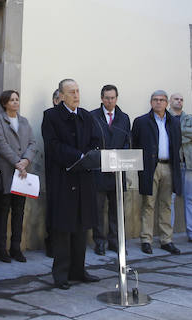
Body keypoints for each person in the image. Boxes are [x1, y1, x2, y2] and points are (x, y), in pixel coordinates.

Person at [42, 79, 102, 289]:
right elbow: (52, 145)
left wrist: (90, 156)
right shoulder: (51, 116)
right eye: (72, 92)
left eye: (78, 91)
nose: (77, 95)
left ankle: (79, 270)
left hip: (84, 179)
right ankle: (61, 274)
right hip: (63, 179)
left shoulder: (86, 115)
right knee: (63, 229)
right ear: (62, 96)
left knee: (81, 227)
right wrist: (78, 156)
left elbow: (96, 140)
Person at [132, 90, 182, 255]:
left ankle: (166, 240)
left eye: (161, 100)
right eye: (155, 100)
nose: (158, 103)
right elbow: (135, 144)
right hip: (150, 167)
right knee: (148, 203)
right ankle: (146, 239)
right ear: (151, 102)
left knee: (166, 204)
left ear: (167, 103)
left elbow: (178, 144)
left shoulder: (174, 122)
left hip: (169, 166)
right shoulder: (141, 122)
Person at [0, 89, 38, 263]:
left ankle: (16, 247)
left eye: (17, 99)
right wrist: (18, 162)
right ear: (4, 103)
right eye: (12, 100)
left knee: (19, 211)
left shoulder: (24, 122)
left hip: (22, 174)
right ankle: (0, 248)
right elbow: (0, 144)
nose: (15, 103)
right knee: (3, 211)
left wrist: (26, 160)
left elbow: (33, 143)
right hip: (6, 171)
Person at [89, 84, 131, 255]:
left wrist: (120, 161)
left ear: (116, 98)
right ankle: (99, 241)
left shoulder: (124, 117)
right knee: (98, 209)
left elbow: (128, 141)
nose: (110, 101)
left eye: (113, 98)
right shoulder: (92, 116)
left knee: (116, 208)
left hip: (118, 171)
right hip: (99, 169)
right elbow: (90, 142)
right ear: (101, 98)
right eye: (106, 98)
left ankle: (115, 241)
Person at [171, 93, 192, 246]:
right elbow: (169, 137)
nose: (179, 101)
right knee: (169, 200)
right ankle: (168, 235)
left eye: (181, 99)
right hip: (172, 164)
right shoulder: (167, 117)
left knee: (190, 199)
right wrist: (185, 133)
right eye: (176, 99)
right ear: (170, 102)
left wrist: (178, 132)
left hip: (189, 163)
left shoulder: (189, 118)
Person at [46, 87, 64, 258]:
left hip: (71, 171)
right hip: (55, 170)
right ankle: (51, 243)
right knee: (53, 208)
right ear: (55, 100)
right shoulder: (50, 116)